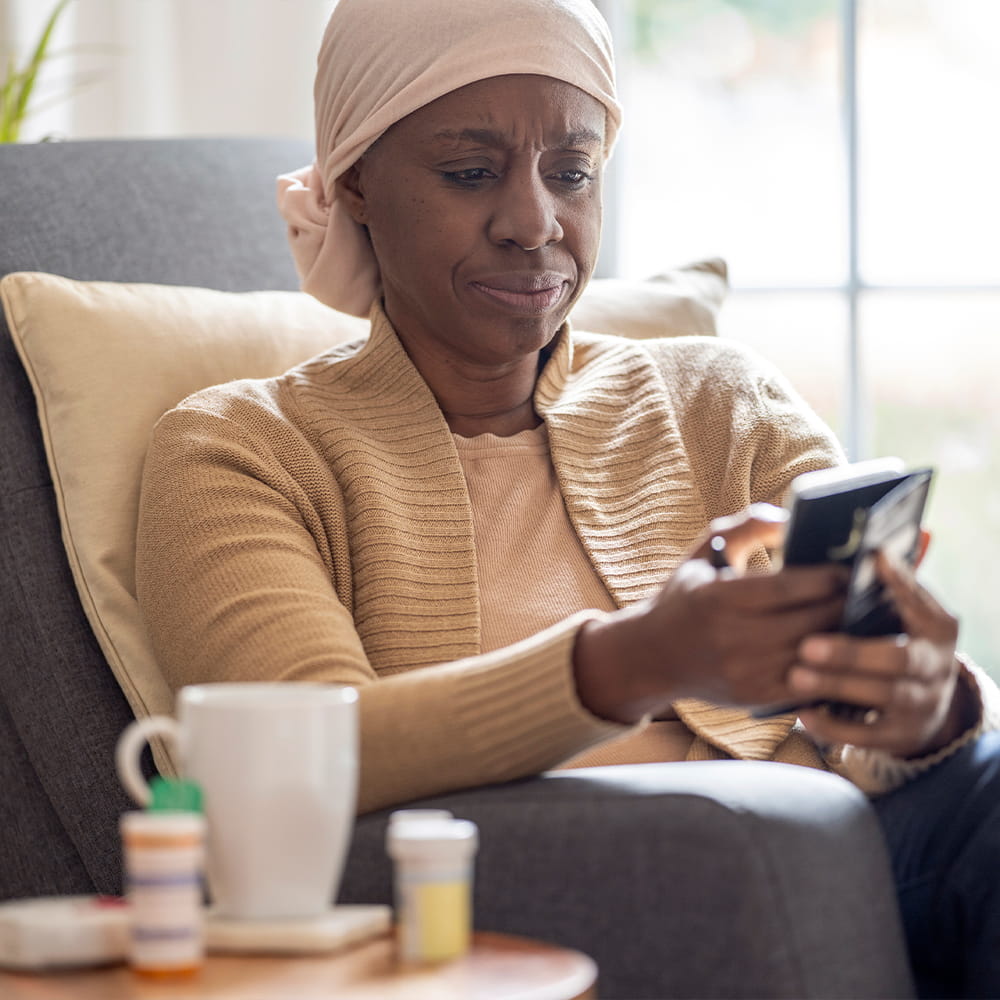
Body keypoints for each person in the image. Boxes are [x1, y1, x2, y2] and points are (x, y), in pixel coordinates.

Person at [135, 0, 1000, 994]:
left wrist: (922, 706)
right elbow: (303, 754)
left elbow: (880, 717)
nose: (534, 221)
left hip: (832, 856)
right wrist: (637, 657)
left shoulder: (720, 398)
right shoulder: (241, 448)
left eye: (572, 173)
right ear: (356, 180)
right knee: (773, 844)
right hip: (492, 895)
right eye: (469, 172)